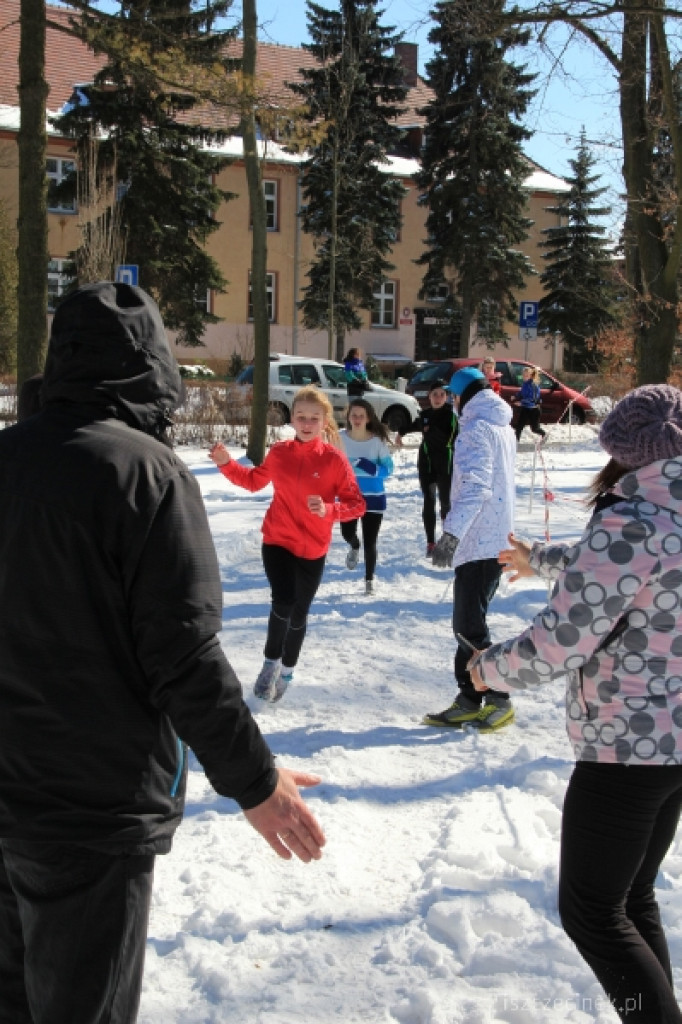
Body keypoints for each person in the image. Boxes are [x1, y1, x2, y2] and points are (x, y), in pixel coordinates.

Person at [0, 282, 326, 1024]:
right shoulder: (145, 473)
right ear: (151, 363)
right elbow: (183, 654)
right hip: (89, 813)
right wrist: (255, 782)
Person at [468, 383, 682, 1024]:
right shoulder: (662, 517)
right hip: (673, 746)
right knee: (630, 897)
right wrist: (544, 558)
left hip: (626, 746)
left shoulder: (631, 521)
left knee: (591, 910)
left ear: (624, 450)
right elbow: (621, 567)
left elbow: (561, 643)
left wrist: (489, 670)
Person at [209, 385, 365, 702]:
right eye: (300, 417)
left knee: (299, 614)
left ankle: (288, 669)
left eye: (313, 418)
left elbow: (357, 504)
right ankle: (270, 664)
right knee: (283, 599)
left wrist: (330, 509)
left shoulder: (334, 460)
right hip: (278, 538)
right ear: (291, 419)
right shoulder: (280, 452)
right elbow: (253, 481)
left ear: (324, 422)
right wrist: (226, 463)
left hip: (313, 548)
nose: (306, 424)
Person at [423, 366, 516, 732]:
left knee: (468, 625)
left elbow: (476, 487)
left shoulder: (475, 430)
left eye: (454, 397)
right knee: (468, 622)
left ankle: (498, 698)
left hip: (480, 541)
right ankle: (469, 697)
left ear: (462, 397)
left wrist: (451, 535)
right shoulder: (501, 427)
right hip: (494, 539)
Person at [395, 378, 458, 558]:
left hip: (445, 463)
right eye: (434, 395)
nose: (438, 398)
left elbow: (449, 438)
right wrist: (401, 432)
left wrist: (430, 430)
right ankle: (431, 542)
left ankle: (447, 541)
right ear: (429, 397)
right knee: (428, 500)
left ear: (446, 397)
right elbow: (415, 425)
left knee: (445, 502)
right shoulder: (425, 415)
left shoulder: (451, 416)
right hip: (426, 463)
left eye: (441, 394)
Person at [339, 398, 394, 595]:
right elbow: (330, 464)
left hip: (374, 498)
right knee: (347, 533)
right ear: (348, 417)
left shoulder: (376, 441)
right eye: (354, 415)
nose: (357, 419)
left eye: (361, 415)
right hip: (348, 497)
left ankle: (369, 579)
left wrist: (370, 467)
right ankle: (354, 546)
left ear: (368, 418)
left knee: (371, 542)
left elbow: (389, 469)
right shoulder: (340, 439)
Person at [513, 364, 546, 442]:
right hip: (526, 408)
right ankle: (515, 442)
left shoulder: (534, 386)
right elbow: (522, 393)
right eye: (523, 376)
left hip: (534, 410)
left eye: (526, 376)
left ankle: (544, 434)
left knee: (534, 428)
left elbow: (533, 399)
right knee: (519, 426)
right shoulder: (525, 384)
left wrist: (521, 402)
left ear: (531, 376)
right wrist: (516, 396)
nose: (524, 377)